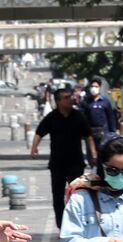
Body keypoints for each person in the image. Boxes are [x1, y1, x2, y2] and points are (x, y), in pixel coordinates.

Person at [31, 87, 98, 229]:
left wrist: (93, 154)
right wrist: (34, 148)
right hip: (57, 164)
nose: (71, 99)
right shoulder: (52, 117)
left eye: (71, 96)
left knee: (78, 194)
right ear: (58, 101)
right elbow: (39, 132)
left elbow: (88, 136)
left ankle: (78, 223)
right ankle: (62, 225)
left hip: (76, 163)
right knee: (57, 196)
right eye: (67, 97)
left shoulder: (78, 116)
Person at [82, 77, 119, 163]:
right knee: (92, 156)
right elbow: (82, 117)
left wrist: (113, 131)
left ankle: (102, 172)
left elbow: (111, 117)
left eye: (96, 86)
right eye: (92, 86)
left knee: (103, 154)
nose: (94, 88)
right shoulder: (86, 102)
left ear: (100, 87)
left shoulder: (105, 102)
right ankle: (94, 170)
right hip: (90, 133)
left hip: (103, 132)